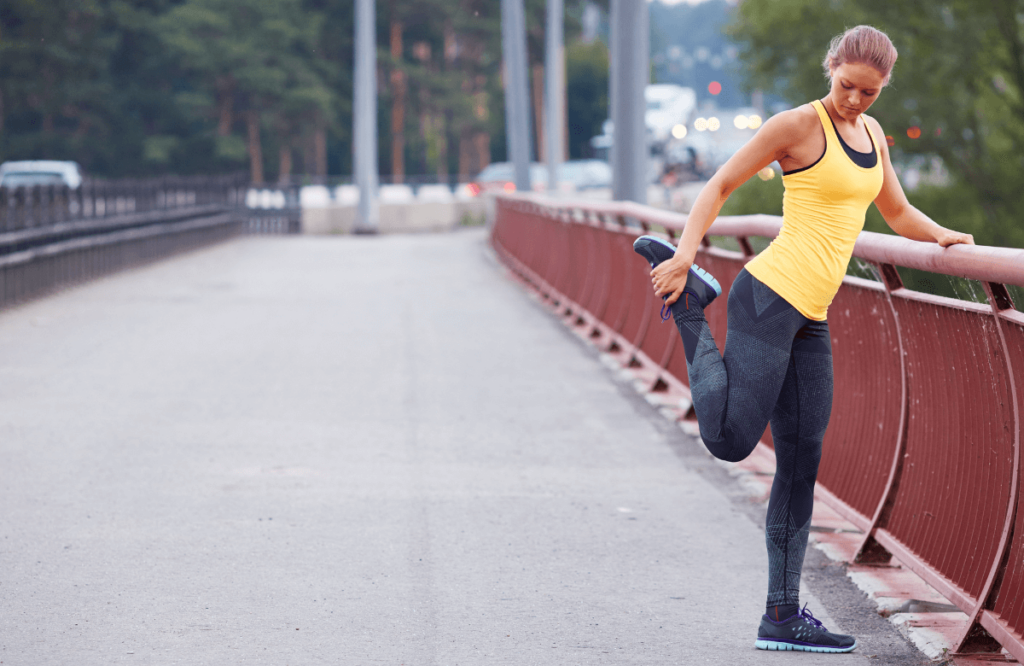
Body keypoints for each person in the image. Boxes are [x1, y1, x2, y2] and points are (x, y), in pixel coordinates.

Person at [633, 25, 974, 653]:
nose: (855, 101)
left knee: (801, 463)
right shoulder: (797, 125)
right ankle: (691, 312)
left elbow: (896, 214)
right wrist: (683, 257)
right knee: (731, 439)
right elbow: (719, 185)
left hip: (811, 315)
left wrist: (946, 237)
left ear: (882, 90)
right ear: (831, 70)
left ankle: (783, 616)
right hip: (768, 296)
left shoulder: (872, 135)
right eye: (847, 86)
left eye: (869, 93)